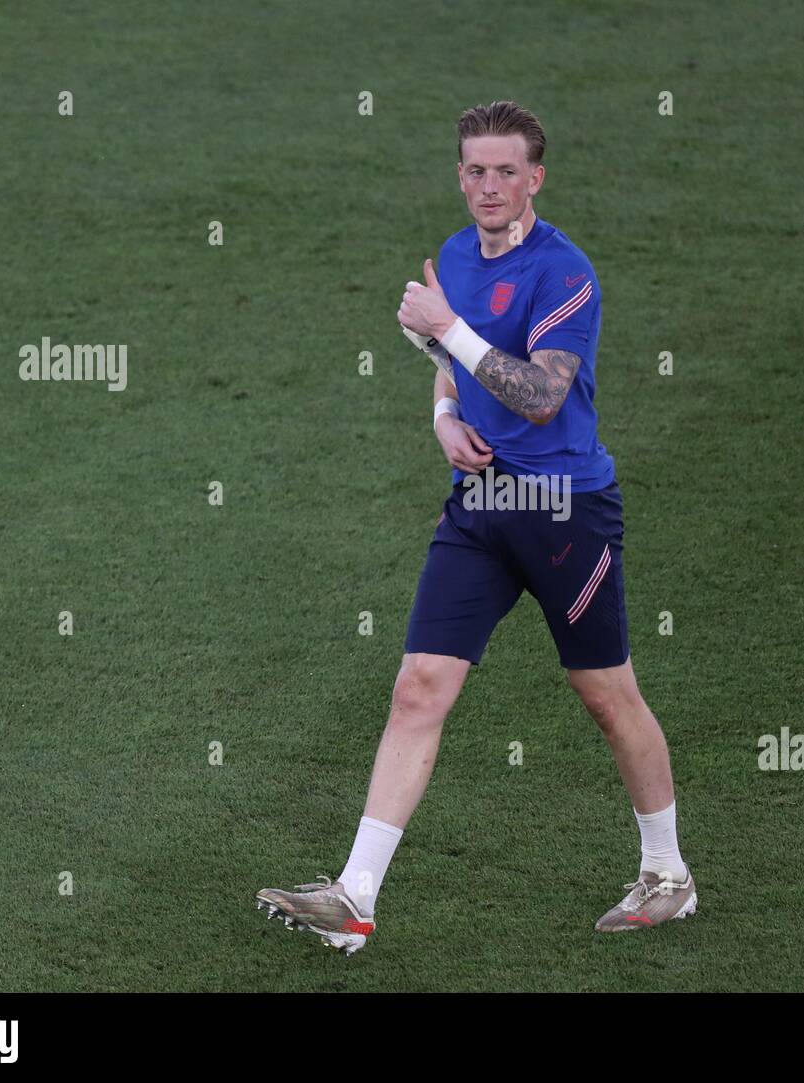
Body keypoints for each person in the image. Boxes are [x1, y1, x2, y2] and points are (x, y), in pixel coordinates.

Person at [256, 101, 695, 954]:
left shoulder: (565, 272)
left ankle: (667, 873)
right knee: (419, 683)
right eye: (474, 170)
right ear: (460, 175)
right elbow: (454, 366)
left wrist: (443, 327)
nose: (488, 186)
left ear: (535, 178)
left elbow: (540, 392)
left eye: (505, 172)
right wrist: (445, 417)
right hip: (484, 505)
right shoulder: (455, 255)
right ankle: (354, 897)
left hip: (565, 509)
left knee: (606, 694)